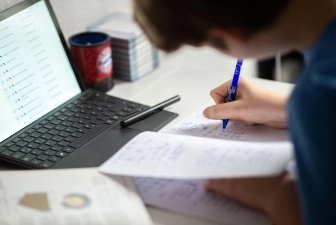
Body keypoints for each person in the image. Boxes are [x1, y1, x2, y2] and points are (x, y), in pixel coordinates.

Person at [132, 0, 336, 224]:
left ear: (233, 34)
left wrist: (275, 193)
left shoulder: (318, 91)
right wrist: (284, 109)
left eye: (213, 44)